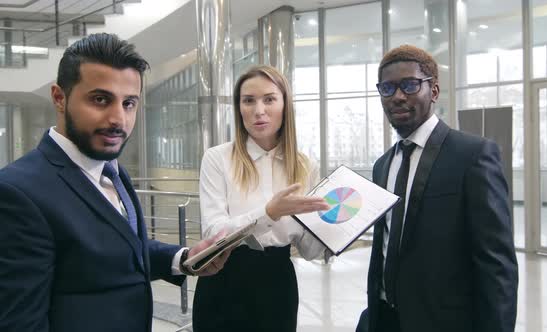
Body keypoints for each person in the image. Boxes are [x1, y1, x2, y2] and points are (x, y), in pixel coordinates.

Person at [0, 33, 229, 332]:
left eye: (129, 103)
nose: (118, 119)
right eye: (100, 99)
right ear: (59, 97)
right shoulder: (18, 192)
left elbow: (119, 249)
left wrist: (183, 259)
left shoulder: (110, 170)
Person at [357, 45, 518, 332]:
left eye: (410, 85)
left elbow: (497, 265)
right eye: (387, 88)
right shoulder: (383, 165)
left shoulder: (473, 156)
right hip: (385, 319)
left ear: (433, 91)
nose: (398, 96)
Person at [192, 65, 330, 332]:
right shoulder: (218, 158)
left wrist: (338, 231)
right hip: (224, 280)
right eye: (248, 101)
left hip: (278, 285)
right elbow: (213, 231)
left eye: (269, 99)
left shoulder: (304, 166)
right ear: (239, 107)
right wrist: (269, 213)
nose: (259, 111)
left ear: (284, 105)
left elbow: (310, 251)